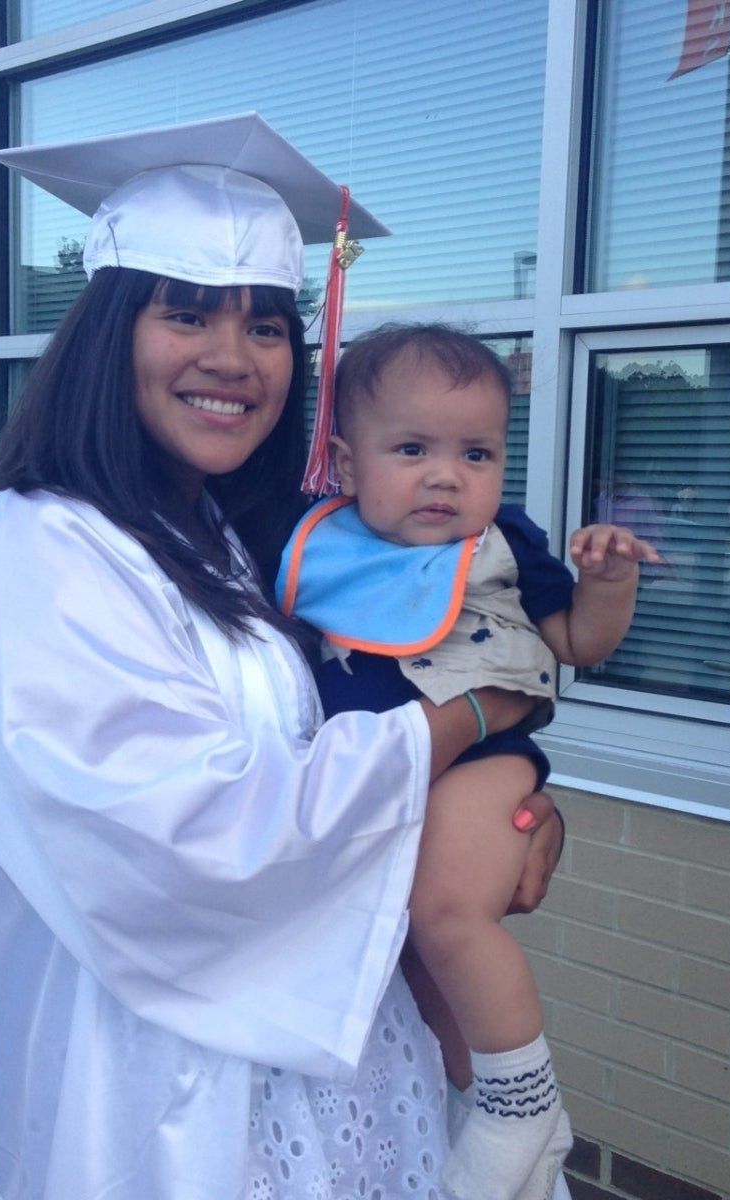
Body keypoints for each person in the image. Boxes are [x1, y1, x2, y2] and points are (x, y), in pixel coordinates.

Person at [0, 114, 566, 1200]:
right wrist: (475, 715)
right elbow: (193, 838)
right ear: (109, 334)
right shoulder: (30, 549)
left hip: (340, 1062)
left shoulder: (236, 537)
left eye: (267, 326)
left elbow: (337, 720)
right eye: (186, 314)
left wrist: (490, 819)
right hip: (166, 1093)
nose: (233, 358)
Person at [276, 323, 661, 1200]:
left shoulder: (506, 544)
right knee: (412, 955)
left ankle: (520, 1100)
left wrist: (608, 586)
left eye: (477, 453)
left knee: (445, 913)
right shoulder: (317, 545)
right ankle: (484, 1103)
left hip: (480, 764)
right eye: (412, 448)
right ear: (345, 462)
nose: (447, 474)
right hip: (378, 788)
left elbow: (574, 644)